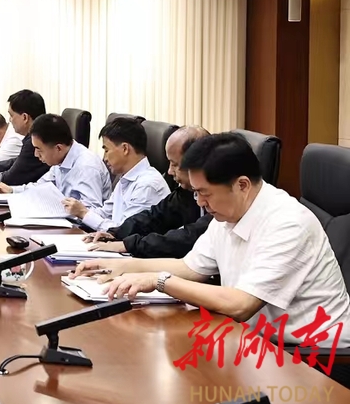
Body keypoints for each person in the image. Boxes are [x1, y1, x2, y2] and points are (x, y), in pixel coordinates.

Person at [73, 133, 350, 350]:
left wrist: (159, 280)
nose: (200, 203)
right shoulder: (229, 213)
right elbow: (190, 268)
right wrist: (119, 266)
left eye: (205, 193)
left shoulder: (287, 223)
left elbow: (241, 304)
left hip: (312, 356)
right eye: (196, 193)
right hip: (257, 340)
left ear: (242, 185)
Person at [82, 126, 212, 257]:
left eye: (175, 164)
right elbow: (154, 217)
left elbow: (189, 237)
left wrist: (129, 245)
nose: (169, 171)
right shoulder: (185, 192)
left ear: (197, 164)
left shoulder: (218, 198)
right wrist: (116, 233)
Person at [63, 117, 171, 231]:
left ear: (125, 148)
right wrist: (77, 212)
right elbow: (105, 213)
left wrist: (84, 213)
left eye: (106, 150)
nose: (105, 158)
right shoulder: (126, 178)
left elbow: (125, 231)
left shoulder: (147, 185)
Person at [0, 113, 110, 209]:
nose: (36, 154)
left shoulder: (87, 167)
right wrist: (12, 190)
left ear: (58, 148)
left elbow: (91, 211)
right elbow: (40, 188)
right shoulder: (61, 159)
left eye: (39, 149)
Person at [0, 89, 50, 186]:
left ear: (25, 117)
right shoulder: (36, 136)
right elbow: (16, 162)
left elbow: (11, 179)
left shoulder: (35, 142)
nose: (10, 120)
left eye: (11, 115)